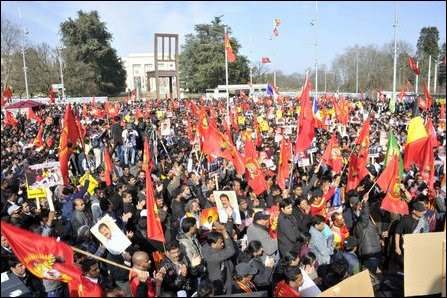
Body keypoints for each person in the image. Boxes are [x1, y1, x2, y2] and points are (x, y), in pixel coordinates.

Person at [202, 222, 235, 295]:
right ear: (213, 244)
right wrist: (223, 230)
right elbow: (231, 250)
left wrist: (229, 219)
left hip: (226, 278)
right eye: (221, 243)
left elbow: (226, 236)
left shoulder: (208, 244)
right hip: (219, 283)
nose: (223, 244)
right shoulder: (212, 256)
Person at [393, 201, 428, 270]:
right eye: (421, 211)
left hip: (418, 248)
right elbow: (397, 233)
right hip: (406, 247)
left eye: (424, 211)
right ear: (414, 211)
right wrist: (397, 247)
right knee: (406, 266)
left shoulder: (423, 220)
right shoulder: (405, 219)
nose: (423, 213)